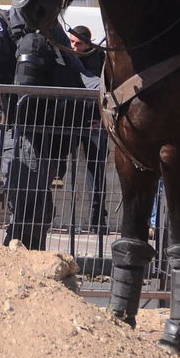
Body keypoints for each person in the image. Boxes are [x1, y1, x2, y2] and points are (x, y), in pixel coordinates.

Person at [0, 0, 84, 249]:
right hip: (19, 129)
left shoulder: (52, 27)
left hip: (54, 132)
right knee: (28, 208)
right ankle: (16, 266)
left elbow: (75, 67)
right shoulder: (1, 22)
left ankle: (25, 269)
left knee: (40, 210)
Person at [66, 24, 108, 233]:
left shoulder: (101, 59)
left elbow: (109, 90)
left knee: (96, 172)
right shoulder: (65, 55)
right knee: (57, 167)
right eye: (71, 42)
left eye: (78, 43)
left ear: (88, 44)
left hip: (94, 122)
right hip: (69, 121)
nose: (74, 46)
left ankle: (98, 220)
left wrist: (102, 119)